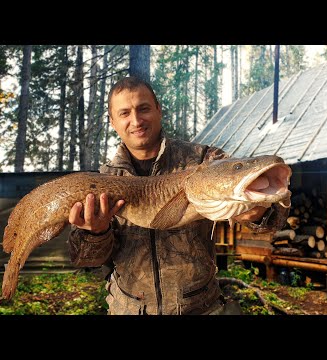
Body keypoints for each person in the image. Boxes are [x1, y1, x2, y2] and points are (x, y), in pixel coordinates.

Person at [68, 76, 289, 315]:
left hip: (201, 308)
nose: (136, 120)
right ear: (113, 121)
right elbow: (85, 260)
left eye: (143, 109)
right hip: (129, 309)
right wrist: (96, 232)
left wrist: (261, 211)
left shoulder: (205, 160)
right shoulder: (101, 181)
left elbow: (272, 220)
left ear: (158, 110)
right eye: (124, 113)